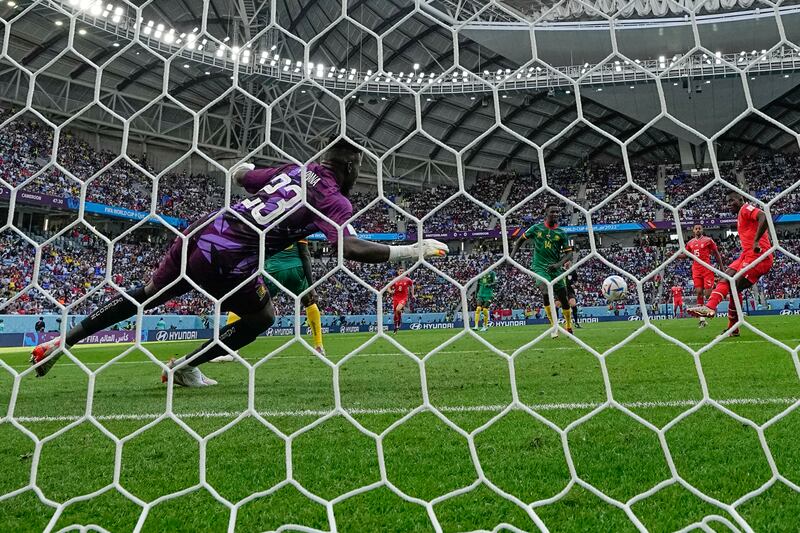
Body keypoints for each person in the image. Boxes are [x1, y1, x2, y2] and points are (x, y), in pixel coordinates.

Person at [30, 139, 448, 386]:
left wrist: (246, 166)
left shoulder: (293, 170)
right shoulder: (333, 198)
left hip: (204, 230)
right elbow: (349, 249)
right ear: (351, 167)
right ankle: (187, 366)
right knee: (263, 316)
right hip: (231, 256)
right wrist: (412, 251)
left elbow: (243, 175)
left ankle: (62, 341)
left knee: (147, 295)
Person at [218, 239, 325, 361]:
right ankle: (319, 346)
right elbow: (305, 255)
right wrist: (312, 288)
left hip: (274, 270)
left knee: (244, 301)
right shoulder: (297, 223)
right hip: (296, 270)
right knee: (309, 302)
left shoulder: (270, 224)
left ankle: (228, 350)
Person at [688, 191, 774, 336]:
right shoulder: (740, 216)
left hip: (759, 256)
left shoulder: (746, 209)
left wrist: (756, 241)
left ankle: (725, 320)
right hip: (746, 255)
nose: (729, 205)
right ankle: (713, 311)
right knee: (726, 278)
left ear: (741, 199)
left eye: (731, 201)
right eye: (727, 202)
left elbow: (763, 217)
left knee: (733, 287)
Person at [511, 204, 574, 337]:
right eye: (553, 211)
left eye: (557, 211)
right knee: (545, 289)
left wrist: (558, 265)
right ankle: (553, 325)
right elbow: (519, 241)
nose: (556, 214)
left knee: (563, 297)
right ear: (546, 213)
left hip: (555, 268)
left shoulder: (561, 233)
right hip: (539, 267)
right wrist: (511, 257)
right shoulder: (536, 228)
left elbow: (569, 254)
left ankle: (568, 323)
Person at [685, 224, 724, 328]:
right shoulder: (690, 243)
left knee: (707, 294)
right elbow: (685, 255)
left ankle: (712, 305)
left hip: (707, 269)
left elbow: (716, 253)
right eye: (696, 229)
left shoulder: (708, 240)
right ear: (693, 231)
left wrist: (721, 267)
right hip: (696, 270)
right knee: (698, 293)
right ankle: (702, 320)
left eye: (699, 228)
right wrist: (673, 255)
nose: (698, 230)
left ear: (702, 230)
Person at [390, 267, 414, 334]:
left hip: (403, 297)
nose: (401, 272)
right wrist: (390, 291)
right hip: (395, 298)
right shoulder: (395, 280)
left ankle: (399, 321)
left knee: (398, 309)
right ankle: (395, 327)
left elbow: (412, 286)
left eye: (402, 271)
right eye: (400, 271)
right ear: (398, 272)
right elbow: (388, 287)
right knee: (395, 313)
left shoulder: (407, 280)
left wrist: (412, 294)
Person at [564, 261, 581, 329]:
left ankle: (576, 322)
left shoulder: (572, 271)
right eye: (566, 262)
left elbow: (576, 280)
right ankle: (555, 324)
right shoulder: (560, 270)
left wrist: (576, 285)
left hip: (570, 291)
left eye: (568, 262)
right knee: (557, 305)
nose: (567, 263)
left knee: (573, 304)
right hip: (561, 290)